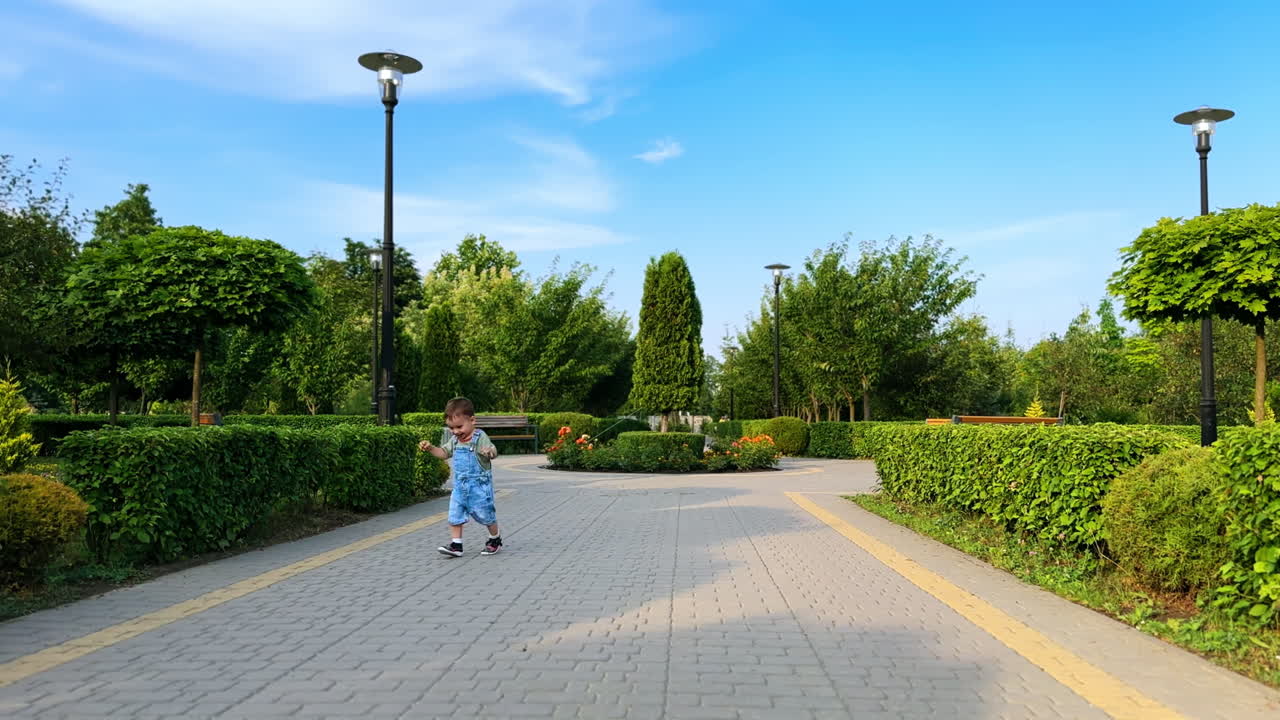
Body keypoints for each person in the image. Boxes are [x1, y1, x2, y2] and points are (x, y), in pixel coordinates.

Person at [419, 397, 502, 557]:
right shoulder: (455, 440)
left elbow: (492, 449)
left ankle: (495, 538)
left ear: (472, 420)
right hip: (460, 488)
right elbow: (443, 454)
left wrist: (490, 452)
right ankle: (456, 545)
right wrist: (431, 448)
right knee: (454, 514)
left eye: (459, 427)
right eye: (451, 428)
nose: (456, 431)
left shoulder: (480, 436)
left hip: (479, 487)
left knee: (486, 515)